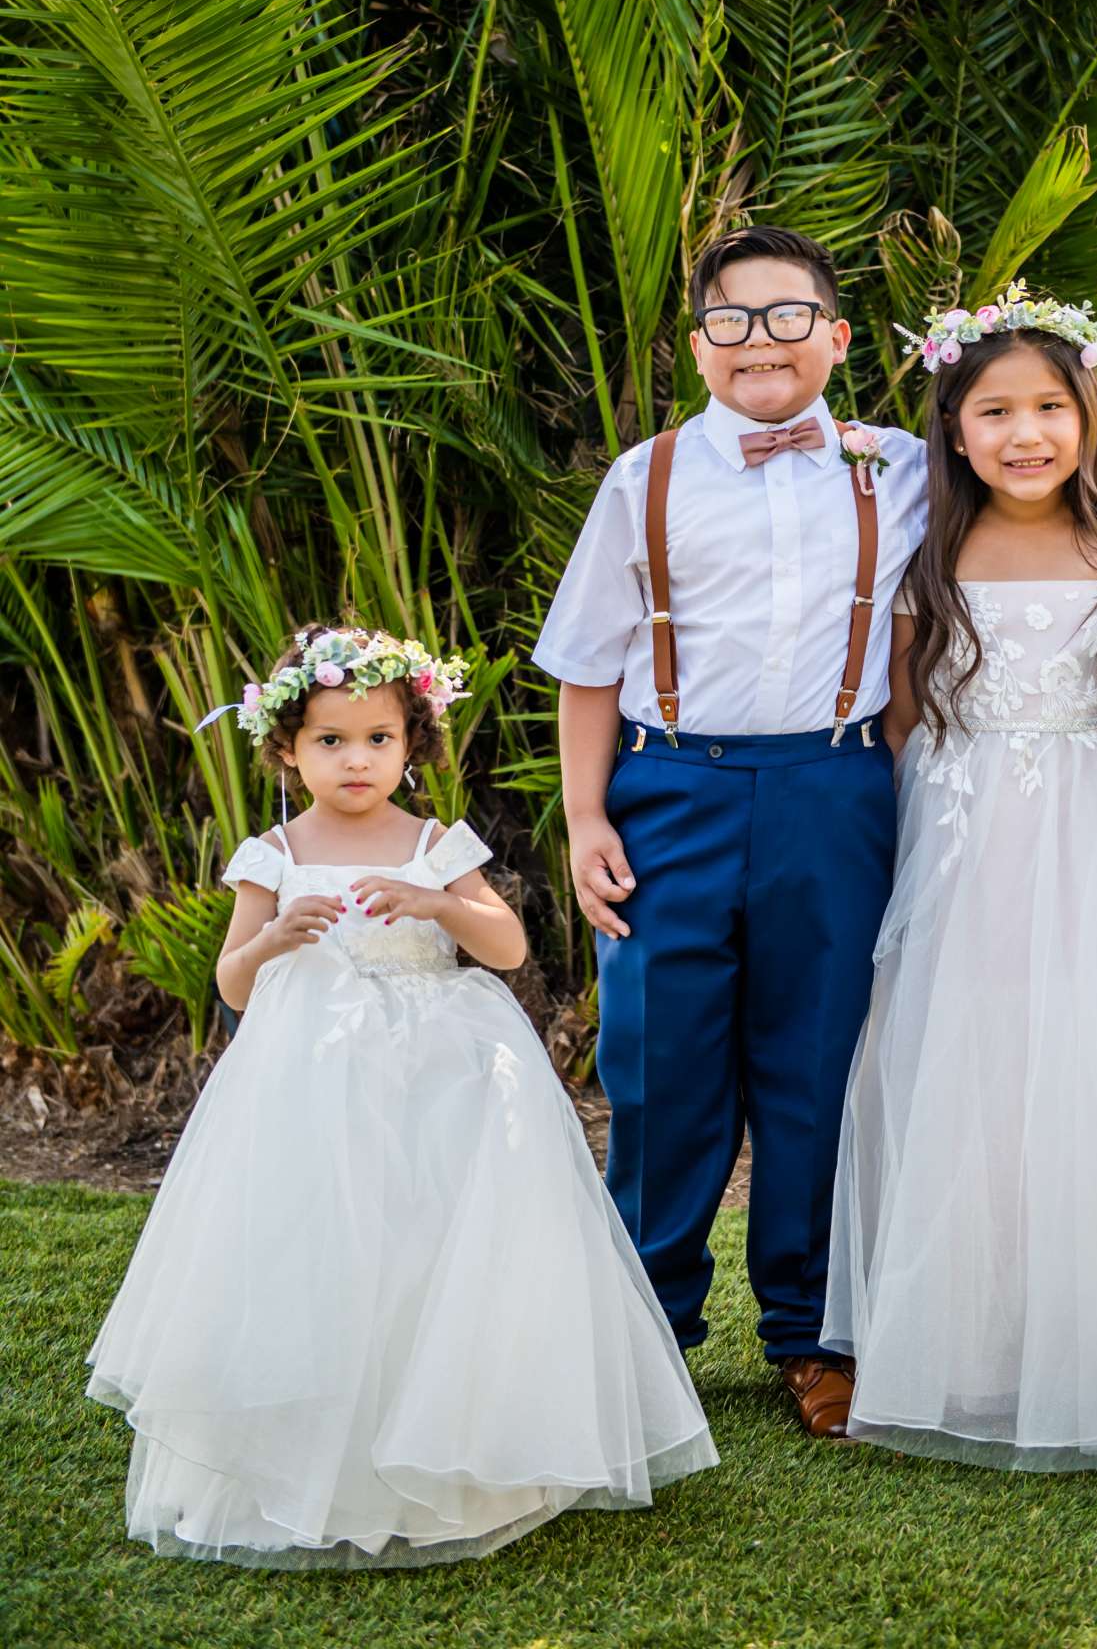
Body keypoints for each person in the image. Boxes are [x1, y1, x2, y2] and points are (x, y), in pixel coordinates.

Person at [534, 229, 1097, 1439]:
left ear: (835, 339)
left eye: (790, 320)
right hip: (667, 786)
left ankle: (807, 1333)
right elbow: (584, 663)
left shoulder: (895, 465)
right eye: (731, 322)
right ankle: (647, 1328)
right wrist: (582, 816)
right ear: (696, 346)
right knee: (656, 1061)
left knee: (817, 1059)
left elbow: (1025, 453)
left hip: (834, 791)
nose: (760, 345)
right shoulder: (647, 476)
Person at [87, 626, 715, 1567]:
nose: (355, 760)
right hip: (308, 1079)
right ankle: (310, 1457)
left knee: (433, 1248)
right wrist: (273, 940)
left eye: (378, 739)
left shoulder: (433, 843)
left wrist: (437, 904)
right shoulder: (269, 853)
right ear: (286, 750)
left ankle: (453, 1458)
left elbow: (504, 948)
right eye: (330, 741)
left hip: (437, 1073)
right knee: (322, 1247)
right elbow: (233, 986)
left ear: (410, 745)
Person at [823, 285, 1097, 1466]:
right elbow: (906, 709)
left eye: (1050, 407)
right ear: (951, 429)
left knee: (1089, 1056)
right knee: (964, 1056)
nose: (1025, 434)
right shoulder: (929, 543)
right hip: (966, 834)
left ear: (1088, 413)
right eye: (993, 412)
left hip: (1094, 822)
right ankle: (966, 1340)